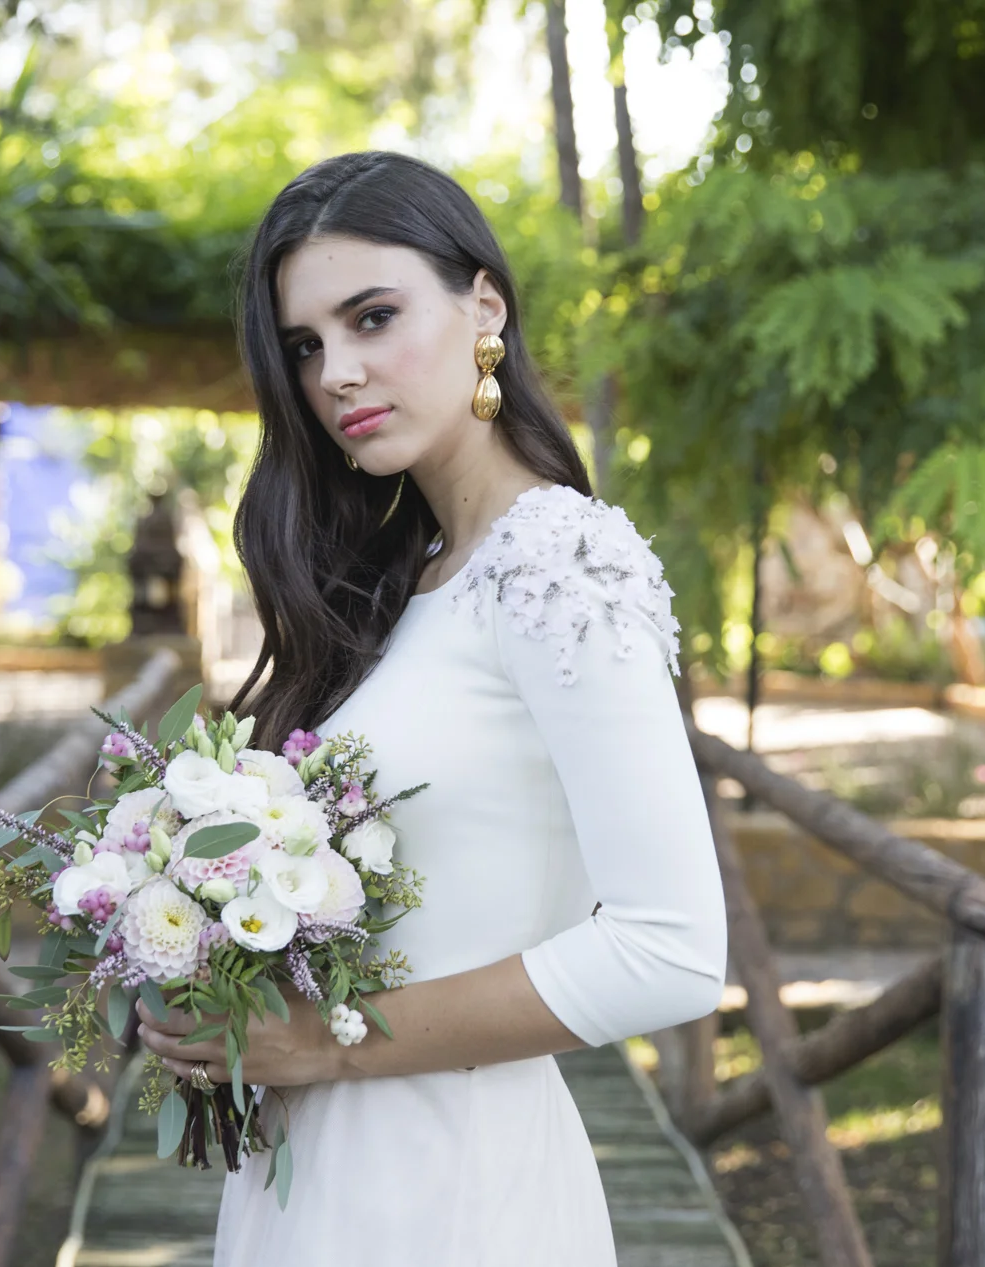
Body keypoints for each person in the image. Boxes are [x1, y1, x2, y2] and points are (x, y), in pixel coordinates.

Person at [134, 150, 728, 1266]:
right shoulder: (403, 584)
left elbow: (673, 947)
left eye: (373, 317)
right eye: (305, 346)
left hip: (456, 1189)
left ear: (484, 308)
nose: (337, 373)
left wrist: (328, 1041)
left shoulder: (561, 563)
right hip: (314, 1176)